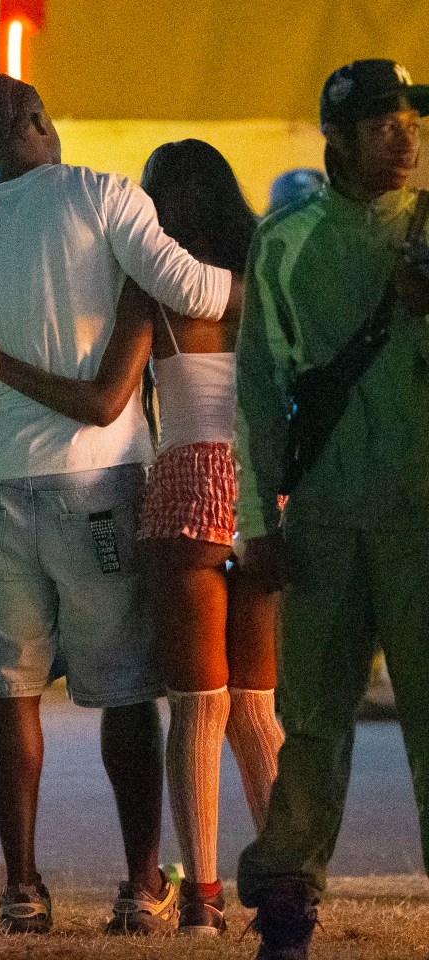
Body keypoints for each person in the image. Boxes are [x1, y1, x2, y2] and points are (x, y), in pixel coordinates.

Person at [0, 138, 285, 937]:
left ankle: (200, 901)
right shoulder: (263, 283)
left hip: (184, 490)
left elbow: (107, 399)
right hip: (263, 490)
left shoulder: (150, 288)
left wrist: (2, 367)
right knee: (258, 711)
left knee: (198, 709)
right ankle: (286, 887)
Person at [233, 59, 429, 960]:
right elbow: (261, 391)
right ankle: (284, 907)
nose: (405, 135)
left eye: (412, 119)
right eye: (383, 120)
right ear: (337, 137)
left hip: (422, 519)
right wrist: (259, 526)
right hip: (319, 522)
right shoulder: (284, 241)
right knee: (310, 720)